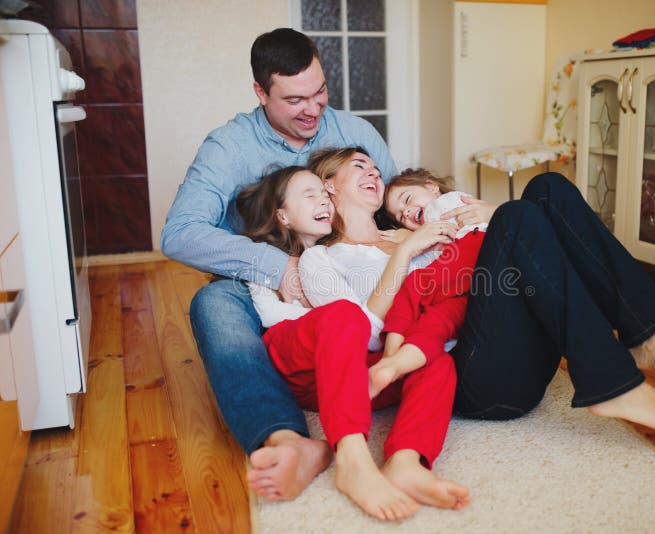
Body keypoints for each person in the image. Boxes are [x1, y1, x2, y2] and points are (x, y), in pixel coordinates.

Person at [304, 149, 655, 435]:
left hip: (511, 344)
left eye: (375, 166)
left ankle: (648, 337)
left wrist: (490, 215)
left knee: (548, 188)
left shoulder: (411, 228)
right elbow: (359, 335)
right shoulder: (322, 259)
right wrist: (408, 251)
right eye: (361, 167)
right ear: (329, 186)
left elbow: (486, 260)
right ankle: (614, 383)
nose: (374, 171)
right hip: (473, 381)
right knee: (517, 215)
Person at [160, 28, 398, 501]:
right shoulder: (229, 147)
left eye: (320, 92)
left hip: (352, 266)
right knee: (213, 302)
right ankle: (287, 438)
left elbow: (390, 201)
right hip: (267, 279)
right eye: (294, 99)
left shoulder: (356, 133)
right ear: (260, 93)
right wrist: (277, 266)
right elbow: (179, 233)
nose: (313, 109)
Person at [234, 163, 469, 520]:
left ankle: (406, 461)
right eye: (310, 193)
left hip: (357, 371)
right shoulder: (309, 258)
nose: (323, 202)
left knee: (433, 361)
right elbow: (354, 327)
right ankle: (352, 459)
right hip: (306, 362)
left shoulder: (400, 238)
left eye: (374, 168)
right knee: (345, 315)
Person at [368, 169, 487, 399]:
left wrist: (408, 235)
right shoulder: (431, 232)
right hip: (467, 290)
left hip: (477, 251)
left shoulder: (449, 202)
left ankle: (390, 354)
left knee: (414, 285)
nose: (408, 212)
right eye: (402, 216)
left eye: (408, 200)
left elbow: (439, 222)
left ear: (432, 187)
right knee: (436, 321)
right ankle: (394, 366)